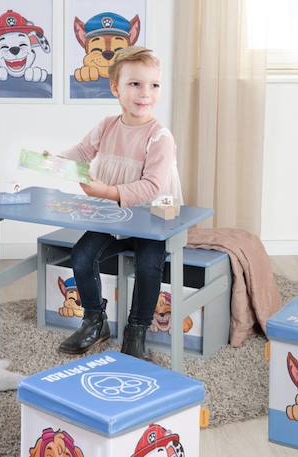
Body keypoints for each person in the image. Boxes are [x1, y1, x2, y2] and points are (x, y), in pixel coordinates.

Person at [56, 47, 183, 360]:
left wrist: (105, 191)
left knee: (149, 265)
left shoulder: (159, 137)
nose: (145, 93)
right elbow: (81, 153)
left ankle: (136, 329)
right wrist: (54, 161)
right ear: (116, 88)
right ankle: (94, 320)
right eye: (135, 84)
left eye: (154, 85)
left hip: (153, 218)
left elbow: (151, 187)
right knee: (83, 256)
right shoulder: (107, 127)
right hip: (114, 217)